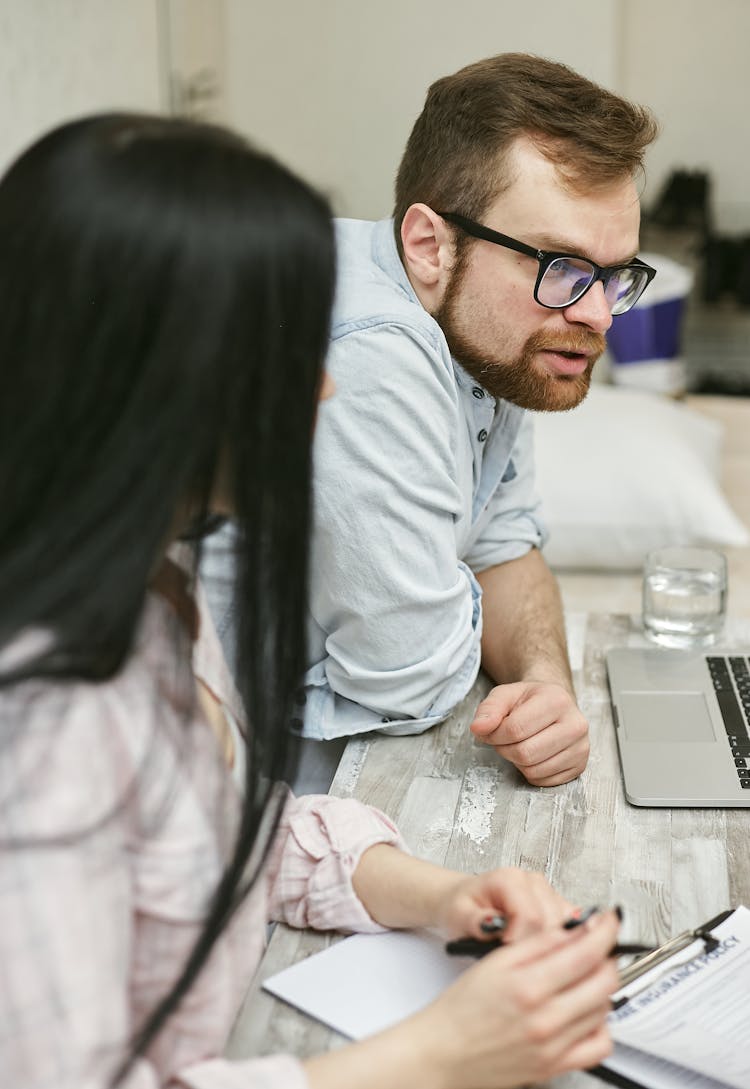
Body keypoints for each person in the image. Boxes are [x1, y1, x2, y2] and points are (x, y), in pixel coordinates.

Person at [0, 114, 620, 1089]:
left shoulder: (154, 591)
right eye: (287, 349)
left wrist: (443, 897)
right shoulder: (43, 725)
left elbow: (218, 838)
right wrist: (439, 1055)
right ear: (152, 371)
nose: (325, 386)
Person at [229, 52, 655, 792]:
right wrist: (462, 596)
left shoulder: (492, 337)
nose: (595, 313)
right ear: (430, 245)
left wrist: (546, 681)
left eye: (616, 274)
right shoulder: (370, 349)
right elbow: (412, 679)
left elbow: (502, 544)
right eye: (561, 265)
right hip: (206, 797)